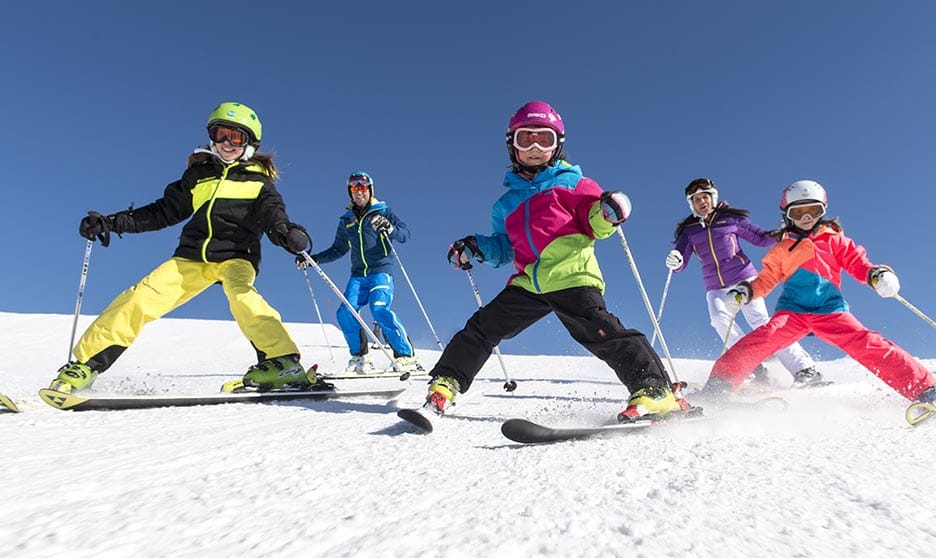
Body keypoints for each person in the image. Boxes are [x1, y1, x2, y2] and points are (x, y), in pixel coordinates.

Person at [420, 100, 699, 423]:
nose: (536, 147)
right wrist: (476, 247)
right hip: (529, 282)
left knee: (600, 331)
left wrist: (608, 212)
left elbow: (595, 223)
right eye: (527, 139)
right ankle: (445, 384)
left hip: (572, 275)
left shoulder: (575, 185)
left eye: (545, 139)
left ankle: (654, 389)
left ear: (558, 145)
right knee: (483, 327)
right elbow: (504, 248)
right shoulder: (505, 204)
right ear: (512, 145)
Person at [49, 102, 313, 393]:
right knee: (140, 298)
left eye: (236, 137)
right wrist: (111, 223)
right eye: (221, 133)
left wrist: (287, 233)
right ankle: (85, 365)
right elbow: (162, 212)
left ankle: (283, 362)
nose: (227, 143)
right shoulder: (198, 176)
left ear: (250, 142)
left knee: (242, 297)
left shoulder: (258, 182)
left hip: (236, 255)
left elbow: (273, 216)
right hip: (191, 257)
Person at [697, 179, 936, 412]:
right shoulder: (782, 249)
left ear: (823, 211)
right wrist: (745, 291)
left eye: (813, 211)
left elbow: (858, 264)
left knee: (867, 342)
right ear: (786, 215)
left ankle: (925, 390)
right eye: (798, 212)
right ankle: (720, 385)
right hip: (793, 312)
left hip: (830, 310)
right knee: (762, 338)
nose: (806, 218)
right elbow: (766, 279)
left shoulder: (836, 242)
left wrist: (877, 275)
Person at [666, 178, 824, 387]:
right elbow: (681, 259)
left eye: (705, 197)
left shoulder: (730, 219)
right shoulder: (690, 230)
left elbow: (760, 238)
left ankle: (804, 368)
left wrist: (781, 233)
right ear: (691, 204)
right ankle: (750, 366)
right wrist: (676, 260)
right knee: (718, 319)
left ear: (713, 198)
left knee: (760, 321)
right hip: (715, 286)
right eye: (696, 200)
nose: (701, 202)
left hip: (743, 278)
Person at [299, 171, 420, 373]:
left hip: (381, 270)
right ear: (350, 193)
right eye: (354, 188)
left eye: (363, 187)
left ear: (370, 190)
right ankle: (361, 357)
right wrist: (313, 259)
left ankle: (406, 355)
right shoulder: (346, 220)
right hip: (358, 275)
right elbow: (338, 249)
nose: (359, 192)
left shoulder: (383, 211)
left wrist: (389, 228)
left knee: (379, 308)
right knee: (345, 312)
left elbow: (405, 234)